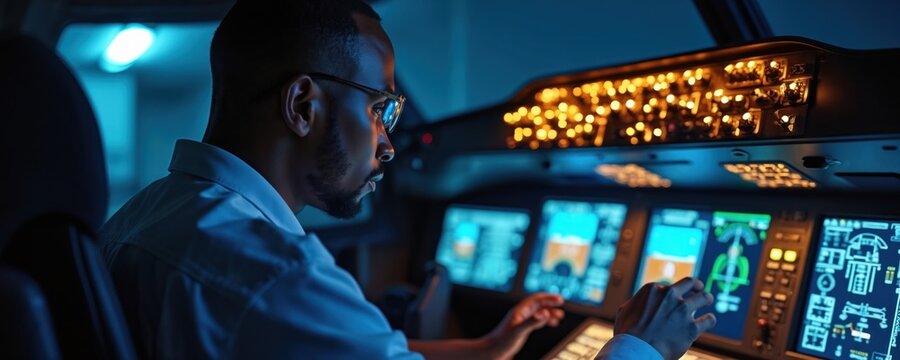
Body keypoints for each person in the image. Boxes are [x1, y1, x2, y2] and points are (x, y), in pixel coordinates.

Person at [98, 0, 715, 359]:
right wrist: (642, 347)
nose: (389, 142)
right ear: (303, 106)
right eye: (379, 109)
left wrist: (483, 349)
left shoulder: (151, 214)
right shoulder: (272, 275)